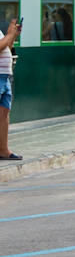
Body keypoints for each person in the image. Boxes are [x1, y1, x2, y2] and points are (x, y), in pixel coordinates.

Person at [0, 18, 20, 161]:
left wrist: (12, 35)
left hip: (5, 76)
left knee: (4, 113)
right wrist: (10, 34)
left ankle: (3, 150)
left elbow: (7, 47)